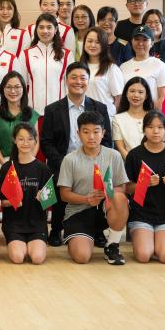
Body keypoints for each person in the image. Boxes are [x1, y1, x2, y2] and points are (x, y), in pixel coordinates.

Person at [41, 62, 112, 246]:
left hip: (93, 160)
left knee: (97, 182)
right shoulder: (52, 109)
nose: (78, 81)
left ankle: (97, 230)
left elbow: (107, 140)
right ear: (66, 80)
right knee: (59, 178)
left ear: (88, 81)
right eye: (74, 77)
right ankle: (56, 229)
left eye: (83, 78)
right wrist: (64, 162)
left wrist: (94, 161)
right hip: (62, 161)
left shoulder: (99, 108)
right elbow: (46, 143)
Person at [59, 111, 130, 265]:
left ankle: (112, 245)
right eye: (86, 132)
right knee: (82, 257)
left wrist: (107, 193)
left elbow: (122, 187)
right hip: (79, 211)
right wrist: (86, 199)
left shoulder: (114, 155)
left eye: (96, 131)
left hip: (105, 208)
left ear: (103, 133)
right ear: (78, 133)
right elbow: (64, 194)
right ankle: (79, 238)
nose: (91, 137)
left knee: (119, 198)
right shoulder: (69, 159)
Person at [123, 110, 165, 264]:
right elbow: (127, 188)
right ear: (144, 129)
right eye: (150, 127)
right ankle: (148, 242)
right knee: (143, 256)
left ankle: (159, 242)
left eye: (160, 127)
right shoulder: (134, 155)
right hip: (141, 215)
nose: (155, 131)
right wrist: (145, 183)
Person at [0, 121, 53, 264]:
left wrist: (44, 199)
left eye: (29, 139)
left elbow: (50, 203)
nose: (25, 143)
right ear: (14, 140)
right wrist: (11, 202)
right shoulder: (7, 168)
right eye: (21, 139)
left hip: (37, 224)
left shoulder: (43, 168)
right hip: (14, 224)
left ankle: (34, 244)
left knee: (37, 258)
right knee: (17, 257)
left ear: (35, 141)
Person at [0, 71, 38, 178]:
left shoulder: (32, 114)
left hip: (27, 161)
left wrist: (28, 162)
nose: (13, 91)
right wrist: (5, 165)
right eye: (9, 87)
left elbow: (36, 142)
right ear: (3, 89)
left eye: (17, 87)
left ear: (23, 89)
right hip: (3, 162)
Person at [20, 13, 71, 115]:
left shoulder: (66, 54)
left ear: (55, 29)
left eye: (49, 27)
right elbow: (21, 85)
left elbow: (69, 85)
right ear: (36, 30)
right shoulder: (26, 54)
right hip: (34, 112)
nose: (45, 31)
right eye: (41, 27)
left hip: (59, 112)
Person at [116, 9, 165, 83]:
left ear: (162, 24)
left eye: (156, 22)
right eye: (149, 22)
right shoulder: (136, 46)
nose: (152, 25)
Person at [119, 25, 165, 106]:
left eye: (145, 40)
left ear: (152, 43)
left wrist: (153, 113)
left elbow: (163, 98)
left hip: (150, 112)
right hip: (128, 112)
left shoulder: (160, 65)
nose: (140, 43)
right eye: (137, 39)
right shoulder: (123, 67)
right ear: (132, 41)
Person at [81, 27, 124, 115]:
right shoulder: (79, 66)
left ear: (104, 45)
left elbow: (119, 98)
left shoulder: (112, 68)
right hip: (82, 117)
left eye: (97, 42)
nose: (93, 45)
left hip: (104, 117)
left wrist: (112, 117)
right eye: (89, 41)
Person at [111, 77, 154, 159]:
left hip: (153, 162)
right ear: (126, 93)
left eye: (140, 92)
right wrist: (133, 163)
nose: (136, 95)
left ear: (146, 96)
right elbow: (121, 148)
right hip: (129, 163)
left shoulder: (154, 117)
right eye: (132, 91)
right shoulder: (118, 119)